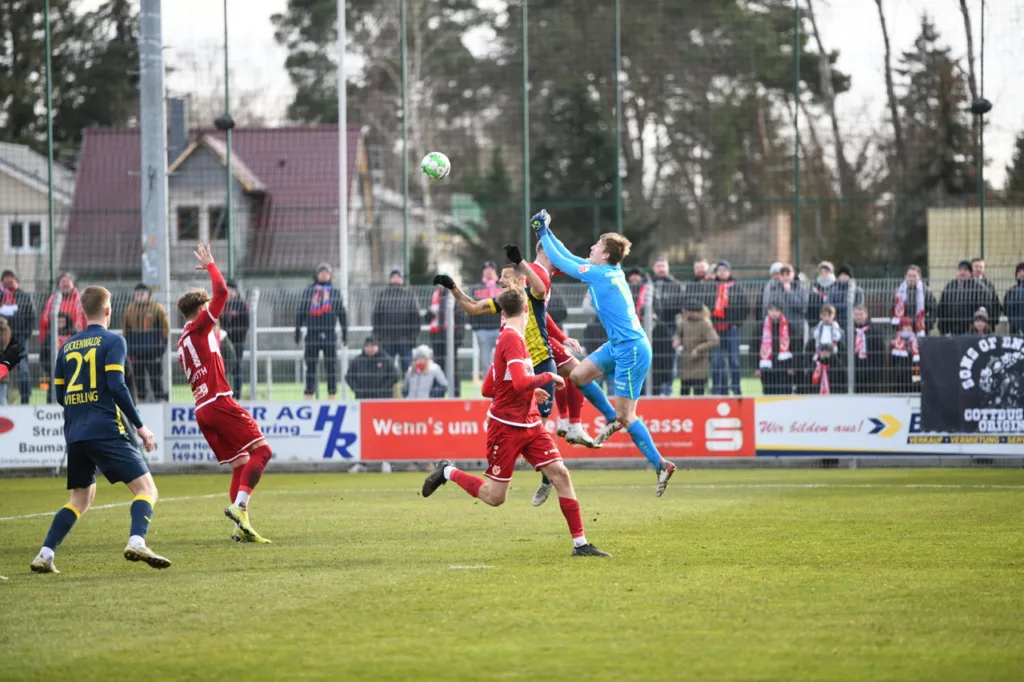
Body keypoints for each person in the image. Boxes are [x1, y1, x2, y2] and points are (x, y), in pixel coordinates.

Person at [420, 287, 610, 558]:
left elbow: (490, 387)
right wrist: (549, 378)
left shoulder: (513, 337)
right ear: (527, 309)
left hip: (530, 423)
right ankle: (447, 471)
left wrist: (531, 393)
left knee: (560, 474)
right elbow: (519, 382)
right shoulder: (511, 339)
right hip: (506, 428)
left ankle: (581, 544)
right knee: (495, 497)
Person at [533, 209, 678, 496]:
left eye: (597, 246)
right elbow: (568, 256)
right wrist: (547, 232)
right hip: (618, 345)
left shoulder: (600, 275)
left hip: (632, 349)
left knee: (627, 417)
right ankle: (611, 416)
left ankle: (661, 464)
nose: (591, 248)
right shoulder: (606, 271)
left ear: (606, 255)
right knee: (578, 376)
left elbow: (561, 261)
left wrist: (540, 230)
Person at [28, 285, 166, 574]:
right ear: (108, 310)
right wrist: (141, 426)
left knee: (80, 499)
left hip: (75, 432)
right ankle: (137, 541)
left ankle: (45, 553)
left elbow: (59, 395)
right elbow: (117, 385)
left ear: (81, 311)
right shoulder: (114, 341)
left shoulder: (66, 346)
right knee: (146, 489)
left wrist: (81, 409)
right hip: (105, 428)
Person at [179, 243, 274, 544]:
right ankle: (240, 507)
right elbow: (222, 292)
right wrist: (211, 265)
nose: (215, 313)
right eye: (208, 308)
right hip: (217, 401)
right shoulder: (200, 328)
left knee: (241, 463)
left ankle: (241, 528)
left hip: (202, 409)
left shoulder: (182, 341)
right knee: (263, 452)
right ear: (200, 310)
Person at [296, 263, 348, 399]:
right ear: (317, 275)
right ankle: (309, 394)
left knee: (331, 366)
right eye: (321, 272)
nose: (324, 275)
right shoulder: (309, 291)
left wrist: (345, 332)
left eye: (326, 273)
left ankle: (332, 394)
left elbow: (342, 313)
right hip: (312, 334)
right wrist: (297, 330)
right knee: (310, 366)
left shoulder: (335, 292)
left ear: (330, 275)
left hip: (329, 334)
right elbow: (301, 311)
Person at [122, 283, 170, 402]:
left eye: (141, 294)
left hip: (152, 349)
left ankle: (159, 398)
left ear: (148, 295)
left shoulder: (157, 308)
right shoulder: (130, 309)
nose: (138, 296)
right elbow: (126, 330)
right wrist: (128, 348)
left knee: (155, 376)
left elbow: (165, 329)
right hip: (135, 350)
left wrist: (162, 346)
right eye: (136, 294)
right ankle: (140, 399)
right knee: (137, 377)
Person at [371, 269, 422, 375]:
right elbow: (376, 316)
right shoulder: (383, 295)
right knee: (386, 368)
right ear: (390, 279)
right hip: (387, 338)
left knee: (407, 368)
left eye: (398, 277)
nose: (396, 279)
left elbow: (416, 317)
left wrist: (413, 336)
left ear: (402, 279)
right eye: (393, 277)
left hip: (405, 338)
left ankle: (407, 386)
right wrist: (379, 336)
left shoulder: (409, 295)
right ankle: (388, 386)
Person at [709, 260, 747, 396]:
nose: (722, 272)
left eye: (724, 270)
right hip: (715, 330)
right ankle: (716, 388)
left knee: (734, 360)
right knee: (716, 361)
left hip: (731, 329)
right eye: (719, 270)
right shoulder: (711, 287)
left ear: (729, 272)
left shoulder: (737, 287)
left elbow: (744, 307)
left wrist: (737, 323)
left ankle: (736, 388)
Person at [649, 257, 685, 396]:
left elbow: (681, 311)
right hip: (651, 328)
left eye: (663, 266)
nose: (661, 269)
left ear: (668, 268)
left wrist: (678, 334)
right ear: (654, 268)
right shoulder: (649, 284)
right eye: (658, 266)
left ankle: (667, 391)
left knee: (670, 361)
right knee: (652, 361)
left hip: (670, 328)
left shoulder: (676, 285)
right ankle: (652, 391)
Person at [1, 269, 36, 404]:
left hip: (19, 338)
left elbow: (31, 316)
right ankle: (3, 400)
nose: (9, 279)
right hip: (1, 339)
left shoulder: (23, 296)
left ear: (16, 279)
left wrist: (25, 335)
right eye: (6, 277)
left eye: (11, 277)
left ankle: (25, 400)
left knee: (23, 369)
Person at [674, 299, 718, 396]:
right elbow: (678, 334)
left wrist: (698, 349)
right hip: (686, 364)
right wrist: (676, 339)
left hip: (699, 364)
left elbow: (715, 341)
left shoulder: (705, 324)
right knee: (684, 395)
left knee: (698, 395)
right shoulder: (684, 323)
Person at [39, 273, 87, 351]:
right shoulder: (52, 300)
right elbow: (45, 320)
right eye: (63, 281)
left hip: (76, 336)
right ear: (58, 285)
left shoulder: (81, 299)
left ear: (73, 283)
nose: (65, 284)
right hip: (56, 336)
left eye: (68, 281)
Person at [754, 302, 794, 395]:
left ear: (781, 312)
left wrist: (793, 366)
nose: (774, 313)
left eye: (777, 310)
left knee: (785, 394)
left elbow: (795, 347)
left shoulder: (789, 326)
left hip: (784, 368)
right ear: (767, 311)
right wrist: (756, 367)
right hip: (766, 368)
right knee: (768, 393)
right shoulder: (760, 326)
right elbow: (755, 347)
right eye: (771, 310)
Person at [469, 261, 503, 372]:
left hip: (501, 330)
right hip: (483, 331)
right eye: (486, 268)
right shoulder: (476, 288)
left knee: (504, 361)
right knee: (485, 364)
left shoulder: (503, 287)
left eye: (491, 268)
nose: (488, 271)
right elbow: (470, 307)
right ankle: (488, 383)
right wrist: (476, 327)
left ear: (495, 271)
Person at [938, 261, 988, 336]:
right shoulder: (950, 286)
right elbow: (942, 306)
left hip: (971, 330)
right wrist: (943, 327)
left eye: (965, 270)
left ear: (971, 273)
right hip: (952, 328)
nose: (962, 272)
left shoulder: (978, 287)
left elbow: (983, 308)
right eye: (960, 270)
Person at [763, 264, 809, 344]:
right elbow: (770, 306)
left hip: (796, 328)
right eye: (782, 274)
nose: (785, 277)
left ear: (793, 274)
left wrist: (788, 292)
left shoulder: (801, 288)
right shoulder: (774, 288)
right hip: (778, 328)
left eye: (787, 274)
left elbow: (803, 307)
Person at [220, 279, 250, 395]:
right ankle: (225, 393)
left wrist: (235, 333)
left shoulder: (241, 305)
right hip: (225, 341)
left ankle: (237, 393)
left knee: (237, 367)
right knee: (223, 367)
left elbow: (246, 324)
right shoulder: (223, 305)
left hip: (238, 342)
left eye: (230, 290)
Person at [891, 265, 937, 337]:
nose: (912, 279)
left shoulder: (926, 292)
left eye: (914, 276)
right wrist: (898, 325)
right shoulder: (899, 292)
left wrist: (926, 324)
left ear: (919, 277)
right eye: (909, 276)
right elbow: (892, 310)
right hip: (903, 329)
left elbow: (933, 310)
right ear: (905, 276)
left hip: (922, 329)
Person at [807, 304, 843, 395]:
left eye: (829, 315)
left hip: (833, 361)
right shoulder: (816, 330)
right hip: (819, 359)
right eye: (824, 315)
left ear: (833, 316)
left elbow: (840, 344)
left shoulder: (838, 330)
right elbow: (812, 343)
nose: (827, 318)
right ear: (821, 316)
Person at [851, 305, 886, 393]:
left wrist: (877, 372)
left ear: (866, 315)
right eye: (856, 315)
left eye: (861, 314)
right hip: (854, 369)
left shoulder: (875, 332)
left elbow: (880, 354)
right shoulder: (850, 332)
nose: (858, 317)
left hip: (871, 370)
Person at [889, 316, 920, 393]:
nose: (909, 328)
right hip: (900, 376)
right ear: (901, 327)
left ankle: (916, 385)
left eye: (910, 326)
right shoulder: (895, 341)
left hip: (914, 371)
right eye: (906, 326)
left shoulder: (916, 340)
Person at [971, 258, 1002, 323]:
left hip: (987, 321)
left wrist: (995, 319)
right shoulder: (967, 284)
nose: (978, 269)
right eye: (976, 266)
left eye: (981, 267)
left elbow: (995, 302)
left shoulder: (989, 284)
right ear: (971, 268)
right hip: (970, 321)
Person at [1005, 262, 1024, 335]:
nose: (1021, 273)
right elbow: (1007, 309)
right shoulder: (1011, 291)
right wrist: (1016, 324)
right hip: (1015, 329)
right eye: (1019, 271)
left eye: (1023, 271)